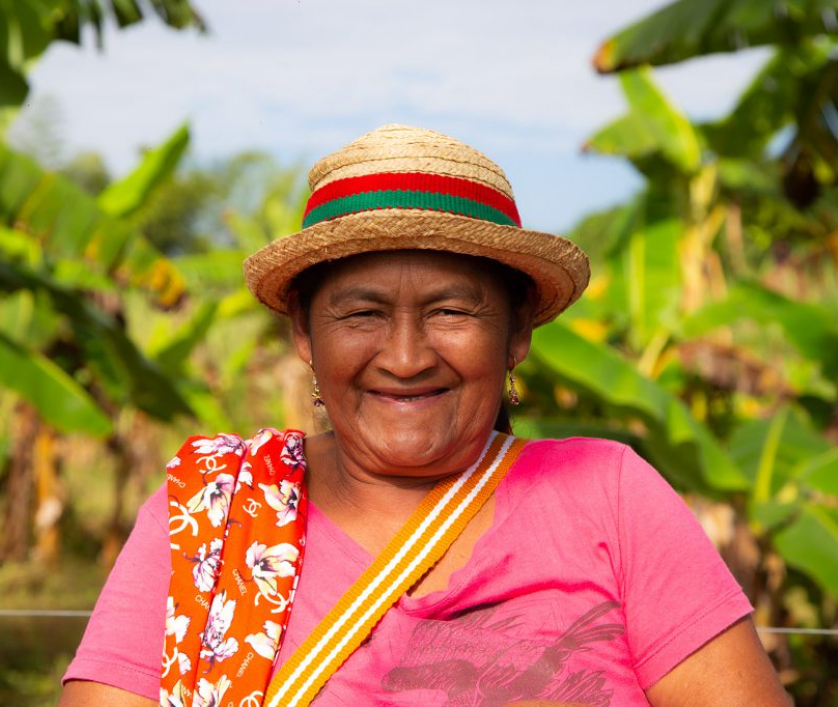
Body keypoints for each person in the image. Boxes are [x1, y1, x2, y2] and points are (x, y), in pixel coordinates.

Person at [59, 125, 790, 707]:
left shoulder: (611, 497)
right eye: (362, 313)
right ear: (305, 335)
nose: (406, 357)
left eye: (451, 310)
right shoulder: (213, 519)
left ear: (517, 331)